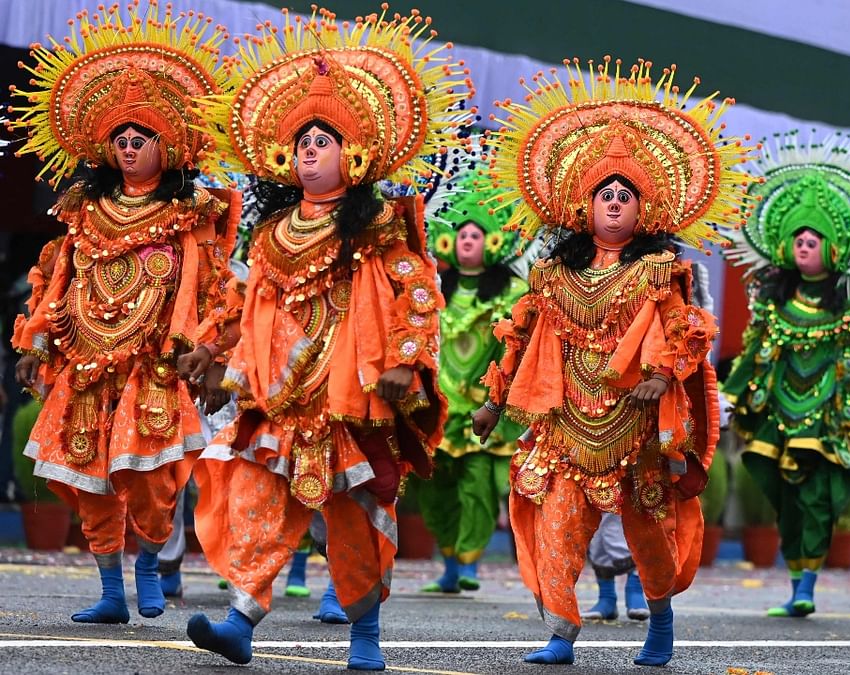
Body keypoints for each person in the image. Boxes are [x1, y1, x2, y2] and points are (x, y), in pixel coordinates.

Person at [182, 8, 470, 670]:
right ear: (284, 156)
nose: (311, 149)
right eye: (303, 141)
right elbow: (246, 299)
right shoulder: (271, 234)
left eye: (324, 140)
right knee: (257, 502)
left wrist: (405, 359)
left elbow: (419, 294)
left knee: (353, 519)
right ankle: (239, 623)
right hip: (282, 400)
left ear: (356, 154)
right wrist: (212, 345)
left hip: (351, 397)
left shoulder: (379, 231)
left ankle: (365, 640)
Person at [472, 58, 754, 667]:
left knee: (650, 537)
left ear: (643, 209)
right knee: (556, 530)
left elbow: (686, 330)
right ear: (584, 205)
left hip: (636, 426)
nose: (616, 205)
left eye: (627, 196)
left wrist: (659, 375)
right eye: (606, 194)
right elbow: (520, 338)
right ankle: (560, 633)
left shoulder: (658, 270)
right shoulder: (552, 275)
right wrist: (494, 402)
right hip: (566, 421)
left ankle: (660, 620)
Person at [7, 1, 239, 624]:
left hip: (151, 364)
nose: (131, 147)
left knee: (154, 478)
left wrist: (207, 350)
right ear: (104, 147)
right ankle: (111, 590)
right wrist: (37, 343)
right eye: (121, 139)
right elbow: (54, 279)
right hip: (84, 363)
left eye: (143, 139)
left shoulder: (189, 215)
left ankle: (148, 567)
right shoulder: (83, 212)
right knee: (88, 477)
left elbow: (211, 288)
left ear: (169, 147)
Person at [722, 132, 850, 617]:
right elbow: (752, 355)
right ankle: (796, 579)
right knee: (785, 500)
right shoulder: (773, 304)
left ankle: (808, 585)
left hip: (828, 417)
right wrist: (725, 397)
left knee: (818, 500)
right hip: (778, 413)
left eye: (813, 240)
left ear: (836, 248)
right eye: (798, 240)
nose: (803, 247)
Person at [417, 167, 527, 594]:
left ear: (493, 241)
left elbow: (517, 347)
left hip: (485, 405)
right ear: (447, 241)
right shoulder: (430, 287)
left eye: (475, 234)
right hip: (438, 402)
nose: (467, 240)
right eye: (460, 234)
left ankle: (470, 563)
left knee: (477, 486)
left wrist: (499, 396)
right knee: (436, 486)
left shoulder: (511, 293)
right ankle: (447, 561)